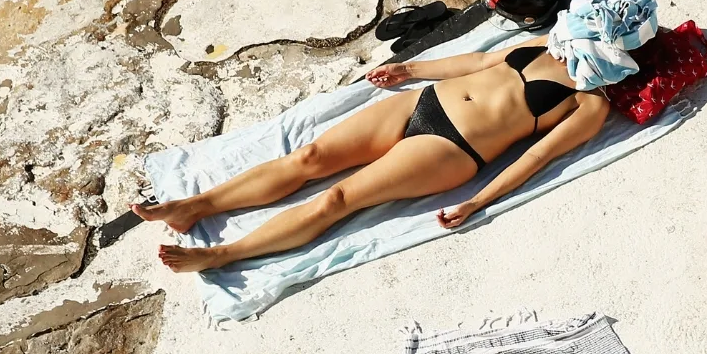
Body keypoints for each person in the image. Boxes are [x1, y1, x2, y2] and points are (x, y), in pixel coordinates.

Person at [137, 38, 608, 271]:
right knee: (310, 156)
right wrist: (411, 69)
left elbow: (537, 158)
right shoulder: (546, 41)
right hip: (424, 102)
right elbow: (478, 62)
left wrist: (477, 201)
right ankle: (195, 206)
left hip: (452, 150)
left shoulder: (590, 102)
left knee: (335, 200)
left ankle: (222, 254)